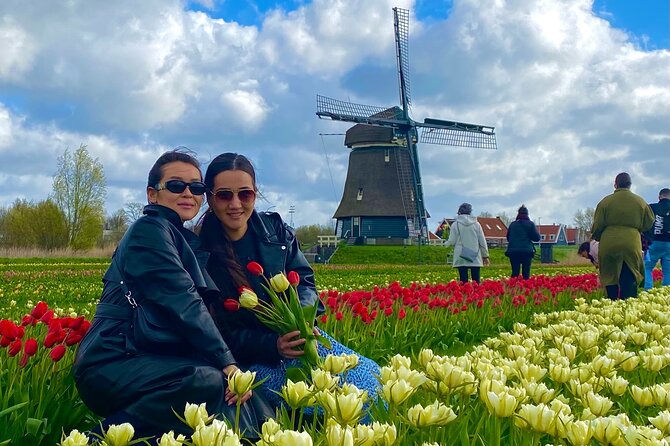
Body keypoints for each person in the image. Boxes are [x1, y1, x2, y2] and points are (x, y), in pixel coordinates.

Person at [73, 150, 272, 440]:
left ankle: (267, 435)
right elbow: (182, 299)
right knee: (206, 381)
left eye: (197, 187)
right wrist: (228, 362)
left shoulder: (179, 236)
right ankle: (98, 440)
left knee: (242, 396)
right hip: (111, 360)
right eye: (177, 186)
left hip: (146, 356)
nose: (188, 193)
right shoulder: (148, 231)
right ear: (152, 194)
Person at [197, 152, 381, 410]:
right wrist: (272, 345)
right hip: (253, 358)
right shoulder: (200, 255)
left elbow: (304, 281)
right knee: (320, 403)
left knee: (374, 384)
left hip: (297, 339)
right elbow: (215, 332)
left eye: (245, 194)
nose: (236, 204)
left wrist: (302, 318)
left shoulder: (276, 232)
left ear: (255, 194)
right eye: (225, 195)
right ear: (210, 198)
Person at [591, 172, 654, 299]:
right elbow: (649, 222)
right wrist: (637, 229)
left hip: (609, 243)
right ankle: (627, 306)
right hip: (631, 243)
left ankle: (611, 303)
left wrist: (598, 237)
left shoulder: (605, 202)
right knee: (629, 277)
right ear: (630, 185)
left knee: (609, 277)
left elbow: (597, 225)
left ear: (615, 184)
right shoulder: (640, 202)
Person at [444, 203, 490, 283]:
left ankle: (464, 295)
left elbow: (452, 240)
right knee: (476, 281)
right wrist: (485, 256)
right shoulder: (477, 224)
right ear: (470, 212)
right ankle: (477, 294)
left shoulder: (455, 224)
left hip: (461, 255)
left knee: (463, 281)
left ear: (459, 212)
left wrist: (445, 244)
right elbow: (482, 241)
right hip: (474, 255)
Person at [505, 205, 541, 279]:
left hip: (513, 251)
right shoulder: (530, 224)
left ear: (518, 214)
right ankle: (525, 287)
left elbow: (508, 237)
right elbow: (537, 238)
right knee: (526, 273)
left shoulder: (513, 224)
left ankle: (513, 288)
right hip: (526, 251)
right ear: (527, 214)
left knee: (515, 272)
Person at [644, 188, 670, 289]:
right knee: (668, 271)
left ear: (659, 197)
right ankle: (666, 293)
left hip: (653, 243)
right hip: (669, 244)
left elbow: (645, 224)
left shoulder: (651, 208)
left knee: (647, 267)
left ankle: (648, 290)